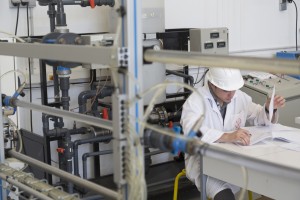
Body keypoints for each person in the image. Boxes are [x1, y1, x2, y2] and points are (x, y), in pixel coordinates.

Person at [180, 67, 285, 200]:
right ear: (212, 84)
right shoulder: (195, 101)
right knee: (225, 197)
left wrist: (269, 108)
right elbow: (192, 131)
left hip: (236, 161)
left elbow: (259, 116)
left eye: (233, 89)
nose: (231, 95)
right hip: (205, 165)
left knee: (271, 183)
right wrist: (227, 136)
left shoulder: (238, 96)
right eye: (226, 90)